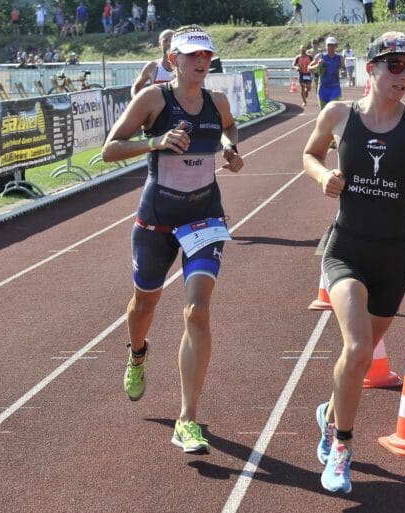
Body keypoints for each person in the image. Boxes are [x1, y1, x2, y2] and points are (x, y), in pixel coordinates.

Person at [302, 31, 405, 494]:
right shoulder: (339, 115)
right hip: (346, 248)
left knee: (362, 356)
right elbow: (309, 154)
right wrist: (324, 173)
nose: (404, 76)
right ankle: (342, 448)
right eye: (395, 66)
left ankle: (330, 412)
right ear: (371, 69)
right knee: (358, 348)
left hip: (394, 257)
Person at [101, 24, 243, 455]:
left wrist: (230, 148)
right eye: (191, 56)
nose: (201, 62)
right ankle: (138, 353)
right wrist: (155, 142)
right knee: (144, 305)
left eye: (206, 56)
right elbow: (109, 148)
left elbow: (230, 127)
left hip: (203, 217)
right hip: (157, 221)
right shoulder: (153, 100)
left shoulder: (216, 101)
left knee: (197, 312)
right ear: (172, 61)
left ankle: (187, 419)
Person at [132, 29, 175, 96]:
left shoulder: (185, 66)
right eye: (165, 40)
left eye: (172, 41)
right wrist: (137, 103)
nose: (169, 43)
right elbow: (136, 87)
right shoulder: (152, 66)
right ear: (159, 44)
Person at [308, 36, 346, 110]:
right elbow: (309, 67)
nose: (331, 47)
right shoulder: (320, 56)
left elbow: (344, 71)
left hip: (335, 88)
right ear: (325, 46)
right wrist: (317, 65)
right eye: (329, 45)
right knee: (324, 112)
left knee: (333, 109)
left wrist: (343, 72)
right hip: (323, 89)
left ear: (336, 46)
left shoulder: (340, 58)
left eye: (333, 45)